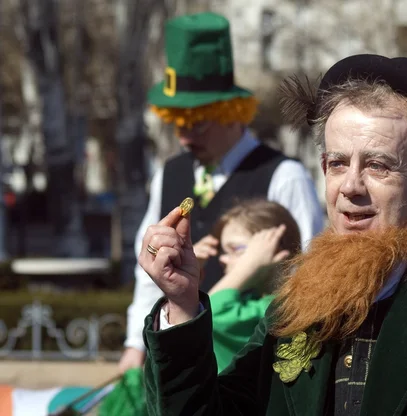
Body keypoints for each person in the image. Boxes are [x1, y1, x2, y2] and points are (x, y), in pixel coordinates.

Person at [138, 54, 407, 415]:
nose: (350, 187)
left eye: (379, 165)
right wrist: (182, 303)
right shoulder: (294, 306)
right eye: (337, 163)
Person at [118, 12, 324, 373]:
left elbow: (309, 273)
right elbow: (148, 268)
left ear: (230, 113)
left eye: (196, 123)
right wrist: (136, 347)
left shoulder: (284, 175)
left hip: (253, 363)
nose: (184, 137)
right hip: (181, 361)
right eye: (177, 123)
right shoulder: (171, 173)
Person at [181, 199, 302, 372]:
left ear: (275, 248)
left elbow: (212, 314)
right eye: (223, 251)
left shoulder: (282, 307)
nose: (222, 259)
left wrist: (249, 264)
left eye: (236, 249)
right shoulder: (248, 300)